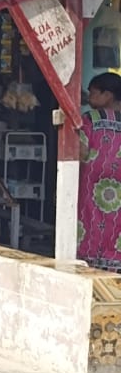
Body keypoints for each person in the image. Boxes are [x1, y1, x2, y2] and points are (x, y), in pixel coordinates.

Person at [79, 71, 121, 271]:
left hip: (90, 186)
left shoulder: (89, 119)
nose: (89, 98)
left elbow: (80, 151)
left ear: (108, 95)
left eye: (93, 93)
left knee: (90, 221)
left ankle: (89, 261)